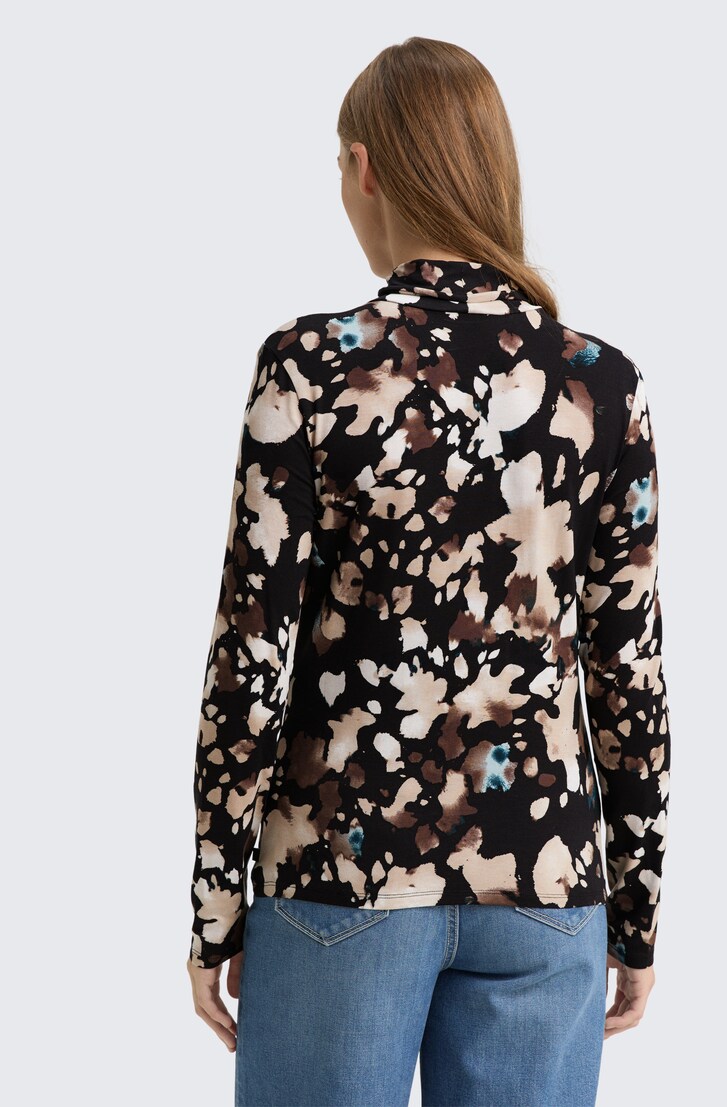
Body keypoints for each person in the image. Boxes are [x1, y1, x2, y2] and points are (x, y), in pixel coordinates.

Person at [186, 35, 671, 1107]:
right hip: (545, 881)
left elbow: (250, 662)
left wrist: (217, 902)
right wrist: (633, 907)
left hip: (340, 871)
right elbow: (628, 669)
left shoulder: (311, 368)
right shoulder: (600, 384)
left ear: (364, 168)